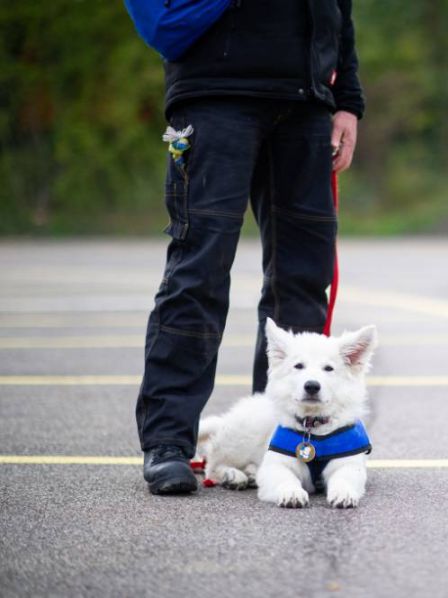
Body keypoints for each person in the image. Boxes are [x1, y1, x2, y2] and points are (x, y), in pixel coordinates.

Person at [136, 0, 364, 495]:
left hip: (306, 106)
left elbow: (339, 12)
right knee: (199, 272)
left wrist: (347, 99)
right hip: (214, 100)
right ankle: (169, 443)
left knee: (302, 280)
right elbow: (162, 27)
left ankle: (291, 445)